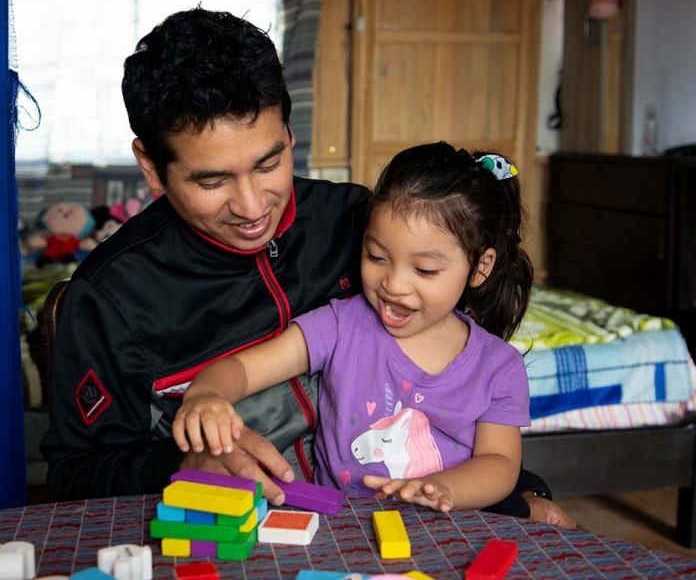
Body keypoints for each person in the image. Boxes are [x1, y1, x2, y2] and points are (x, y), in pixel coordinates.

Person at [40, 7, 575, 527]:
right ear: (151, 167)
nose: (252, 207)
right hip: (236, 530)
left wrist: (515, 491)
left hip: (395, 511)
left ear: (292, 136)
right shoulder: (109, 297)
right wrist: (182, 465)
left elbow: (451, 381)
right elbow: (76, 475)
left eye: (270, 163)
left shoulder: (356, 222)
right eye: (212, 181)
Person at [173, 142, 536, 512]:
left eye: (425, 270)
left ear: (480, 268)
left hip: (445, 531)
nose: (393, 284)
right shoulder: (341, 325)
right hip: (342, 531)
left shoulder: (499, 367)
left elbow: (501, 464)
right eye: (376, 256)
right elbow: (245, 369)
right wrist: (207, 394)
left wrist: (444, 489)